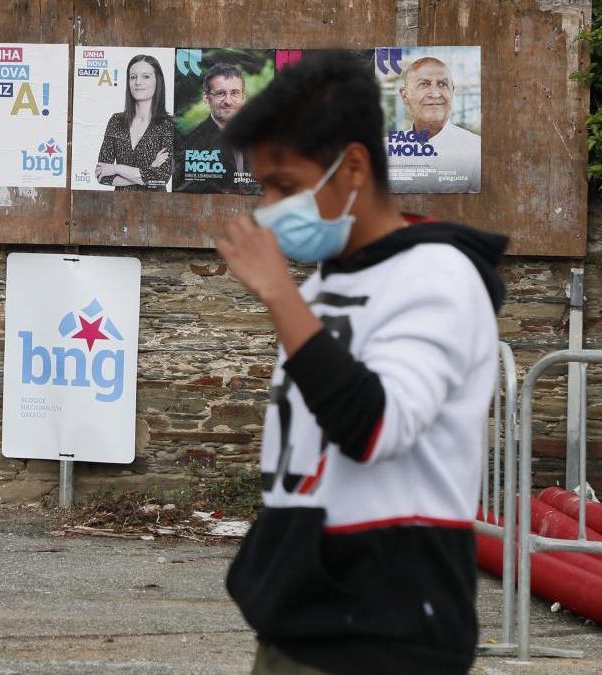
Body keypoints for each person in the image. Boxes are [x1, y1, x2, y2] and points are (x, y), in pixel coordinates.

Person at [216, 50, 506, 674]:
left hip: (386, 632)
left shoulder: (439, 277)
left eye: (285, 186)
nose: (267, 208)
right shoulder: (326, 282)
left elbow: (374, 426)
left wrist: (279, 295)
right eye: (261, 185)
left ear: (351, 168)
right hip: (304, 621)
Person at [389, 56, 481, 192]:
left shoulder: (476, 150)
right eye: (424, 84)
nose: (435, 94)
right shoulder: (385, 150)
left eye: (442, 84)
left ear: (452, 91)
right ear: (405, 95)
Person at [94, 54, 173, 192]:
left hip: (156, 207)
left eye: (146, 76)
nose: (137, 82)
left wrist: (115, 168)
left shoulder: (168, 125)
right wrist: (150, 169)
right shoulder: (116, 121)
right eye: (133, 77)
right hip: (118, 206)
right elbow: (102, 175)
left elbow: (161, 177)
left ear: (157, 81)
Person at [173, 63, 255, 194]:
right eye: (220, 93)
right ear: (207, 98)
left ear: (243, 97)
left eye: (234, 93)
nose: (228, 101)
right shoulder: (193, 144)